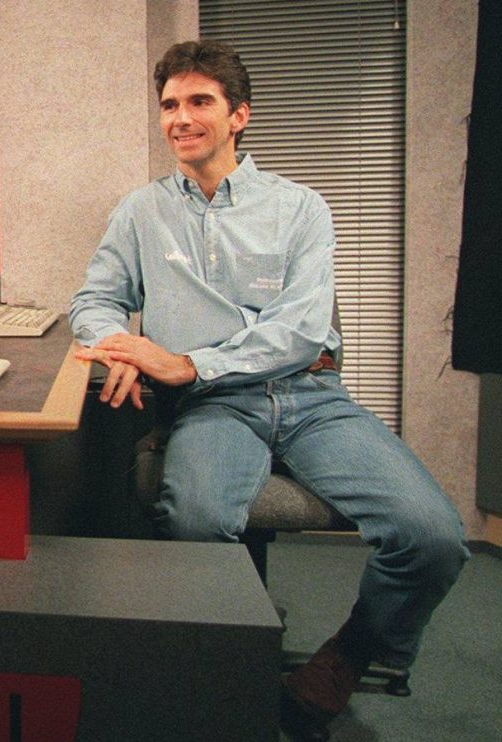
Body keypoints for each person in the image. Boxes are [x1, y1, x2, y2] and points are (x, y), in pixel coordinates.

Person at [69, 39, 469, 739]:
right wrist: (116, 343)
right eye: (169, 104)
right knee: (196, 521)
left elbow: (301, 330)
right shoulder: (140, 212)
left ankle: (346, 658)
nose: (180, 118)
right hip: (216, 409)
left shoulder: (300, 208)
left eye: (200, 102)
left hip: (309, 398)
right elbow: (96, 297)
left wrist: (188, 363)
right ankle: (228, 665)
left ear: (239, 115)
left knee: (432, 536)